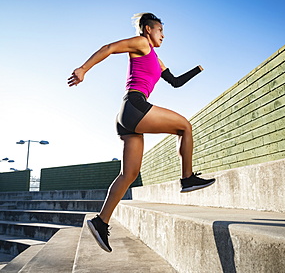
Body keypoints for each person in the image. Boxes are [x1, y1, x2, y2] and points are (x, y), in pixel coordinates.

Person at [68, 13, 215, 252]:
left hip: (128, 116)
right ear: (147, 29)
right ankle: (187, 178)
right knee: (184, 127)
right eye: (160, 31)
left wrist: (198, 69)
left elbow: (175, 82)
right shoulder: (141, 43)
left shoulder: (156, 58)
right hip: (135, 106)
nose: (163, 36)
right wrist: (84, 69)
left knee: (129, 174)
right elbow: (109, 48)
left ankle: (100, 221)